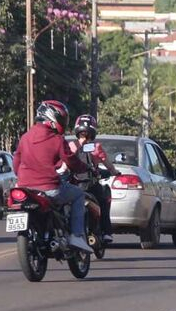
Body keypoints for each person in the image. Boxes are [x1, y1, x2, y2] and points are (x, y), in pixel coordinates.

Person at [11, 100, 93, 253]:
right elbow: (71, 160)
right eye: (62, 119)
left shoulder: (25, 137)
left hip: (24, 188)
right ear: (52, 118)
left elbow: (16, 164)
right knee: (78, 195)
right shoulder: (56, 139)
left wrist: (24, 178)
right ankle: (76, 235)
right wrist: (85, 168)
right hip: (50, 189)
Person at [68, 114, 120, 242]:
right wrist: (114, 172)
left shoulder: (71, 146)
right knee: (104, 201)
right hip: (91, 186)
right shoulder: (96, 147)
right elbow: (109, 166)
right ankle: (107, 232)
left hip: (74, 185)